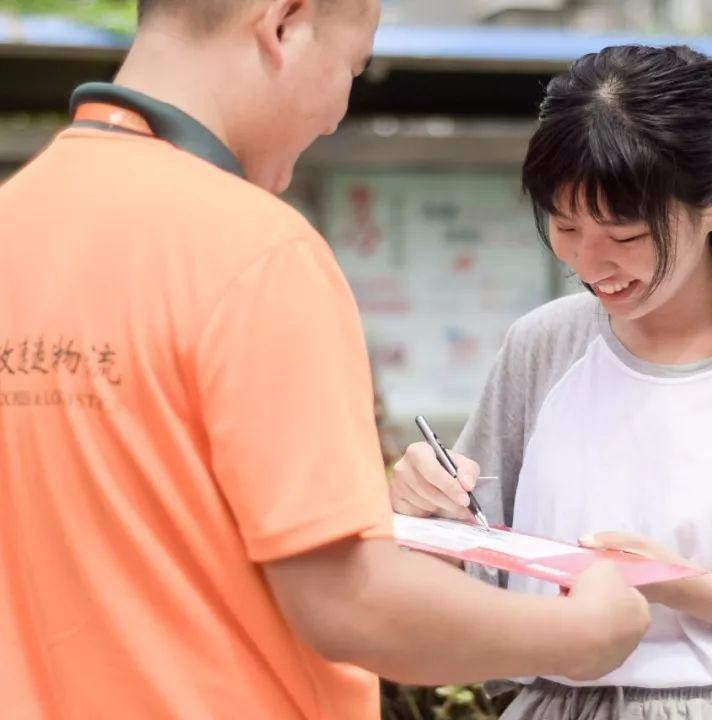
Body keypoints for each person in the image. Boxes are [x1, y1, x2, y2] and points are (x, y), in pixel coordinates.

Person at [0, 2, 651, 718]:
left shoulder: (16, 219)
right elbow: (350, 602)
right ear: (284, 23)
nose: (338, 111)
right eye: (352, 65)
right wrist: (578, 632)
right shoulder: (256, 252)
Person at [392, 45, 712, 720]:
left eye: (626, 232)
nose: (591, 262)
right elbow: (466, 577)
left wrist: (673, 583)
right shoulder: (541, 347)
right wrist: (424, 511)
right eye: (565, 225)